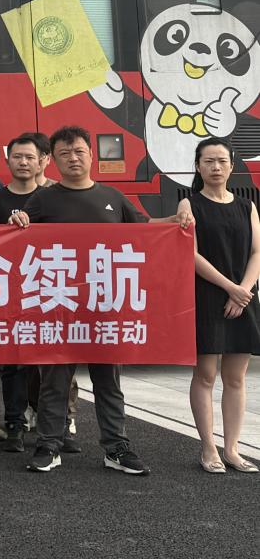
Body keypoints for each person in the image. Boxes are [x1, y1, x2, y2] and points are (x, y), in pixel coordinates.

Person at [17, 124, 193, 476]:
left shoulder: (113, 196)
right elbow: (16, 238)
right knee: (55, 381)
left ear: (91, 155)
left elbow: (146, 229)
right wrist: (18, 221)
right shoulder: (43, 199)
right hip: (60, 306)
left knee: (108, 382)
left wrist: (177, 218)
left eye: (79, 151)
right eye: (64, 153)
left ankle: (116, 447)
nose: (73, 158)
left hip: (105, 305)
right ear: (53, 161)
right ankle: (48, 445)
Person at [180, 138, 260, 473]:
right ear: (198, 166)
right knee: (206, 374)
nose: (216, 167)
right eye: (208, 161)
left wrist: (243, 291)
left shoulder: (247, 206)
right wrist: (230, 288)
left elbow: (257, 252)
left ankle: (232, 449)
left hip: (244, 296)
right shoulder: (190, 204)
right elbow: (190, 254)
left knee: (236, 378)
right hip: (207, 295)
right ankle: (208, 449)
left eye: (222, 161)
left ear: (231, 166)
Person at [0, 133, 50, 452]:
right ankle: (15, 425)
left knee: (51, 362)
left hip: (47, 289)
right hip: (7, 293)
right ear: (7, 160)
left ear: (41, 161)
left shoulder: (52, 198)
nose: (23, 162)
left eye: (29, 157)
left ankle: (56, 426)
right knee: (13, 363)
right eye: (17, 157)